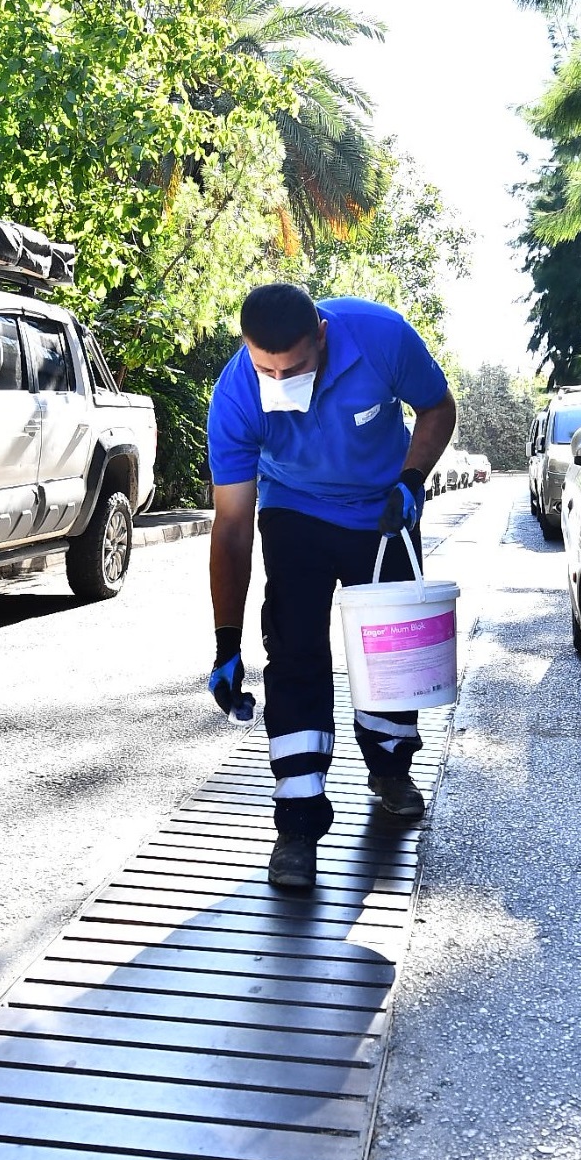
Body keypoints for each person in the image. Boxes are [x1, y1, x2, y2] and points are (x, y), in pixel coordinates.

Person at [205, 284, 457, 890]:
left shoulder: (380, 336)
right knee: (295, 654)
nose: (279, 380)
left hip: (383, 513)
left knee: (389, 655)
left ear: (320, 335)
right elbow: (232, 526)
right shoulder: (236, 395)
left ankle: (390, 768)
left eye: (293, 368)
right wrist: (226, 642)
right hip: (295, 511)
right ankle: (297, 820)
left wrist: (412, 480)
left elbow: (438, 407)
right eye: (266, 369)